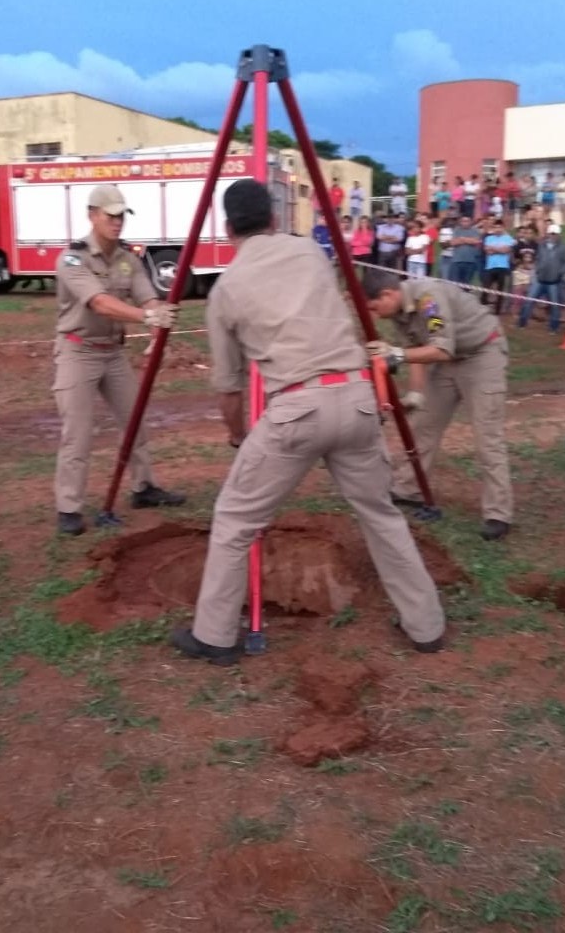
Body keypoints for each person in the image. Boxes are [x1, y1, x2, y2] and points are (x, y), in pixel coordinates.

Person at [170, 179, 446, 665]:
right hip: (358, 398)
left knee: (235, 518)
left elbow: (229, 388)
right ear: (275, 219)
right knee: (380, 513)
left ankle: (214, 635)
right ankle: (426, 625)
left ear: (228, 227)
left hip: (297, 409)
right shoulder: (311, 255)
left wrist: (238, 436)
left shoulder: (226, 289)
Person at [51, 184, 185, 536]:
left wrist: (158, 317)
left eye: (121, 215)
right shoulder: (72, 259)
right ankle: (69, 508)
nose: (117, 221)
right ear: (92, 215)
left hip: (112, 352)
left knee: (135, 420)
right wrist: (147, 319)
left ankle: (143, 488)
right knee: (77, 434)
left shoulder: (128, 258)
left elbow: (147, 298)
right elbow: (99, 303)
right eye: (110, 215)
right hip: (77, 351)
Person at [364, 270, 513, 541]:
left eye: (375, 307)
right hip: (447, 362)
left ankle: (498, 513)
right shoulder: (399, 311)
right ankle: (408, 488)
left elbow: (441, 349)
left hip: (481, 354)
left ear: (388, 294)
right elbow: (418, 350)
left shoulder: (427, 299)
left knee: (487, 436)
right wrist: (416, 394)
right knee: (422, 425)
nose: (375, 314)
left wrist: (396, 354)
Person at [523, 223, 565, 332]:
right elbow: (538, 258)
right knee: (529, 301)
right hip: (539, 279)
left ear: (559, 235)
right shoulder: (542, 245)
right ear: (548, 234)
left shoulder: (563, 247)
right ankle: (522, 323)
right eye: (552, 233)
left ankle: (553, 327)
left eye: (556, 234)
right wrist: (538, 269)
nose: (554, 236)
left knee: (554, 305)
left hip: (554, 281)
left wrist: (560, 272)